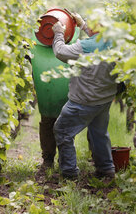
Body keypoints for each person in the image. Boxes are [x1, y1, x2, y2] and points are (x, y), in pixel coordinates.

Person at [52, 13, 117, 179]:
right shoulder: (113, 42)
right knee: (98, 133)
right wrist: (82, 25)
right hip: (104, 100)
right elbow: (97, 39)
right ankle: (107, 170)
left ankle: (69, 174)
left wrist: (59, 33)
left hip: (83, 101)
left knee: (63, 131)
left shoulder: (84, 47)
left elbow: (60, 51)